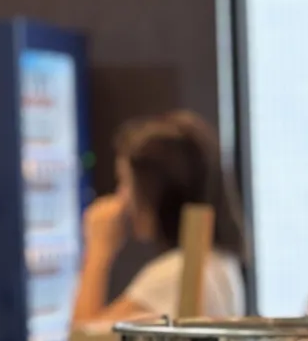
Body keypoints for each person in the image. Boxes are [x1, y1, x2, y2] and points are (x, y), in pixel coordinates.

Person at [72, 110, 247, 328]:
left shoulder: (175, 274)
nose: (121, 198)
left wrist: (98, 252)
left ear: (153, 191)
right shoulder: (219, 261)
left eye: (125, 182)